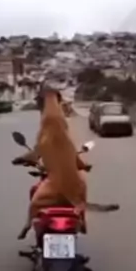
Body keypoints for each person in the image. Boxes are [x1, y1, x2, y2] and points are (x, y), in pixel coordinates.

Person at [13, 89, 91, 240]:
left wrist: (20, 159)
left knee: (35, 203)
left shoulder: (45, 135)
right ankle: (82, 221)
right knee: (82, 188)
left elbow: (36, 154)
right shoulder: (65, 134)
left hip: (53, 187)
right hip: (75, 187)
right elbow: (74, 157)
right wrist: (84, 165)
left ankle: (27, 226)